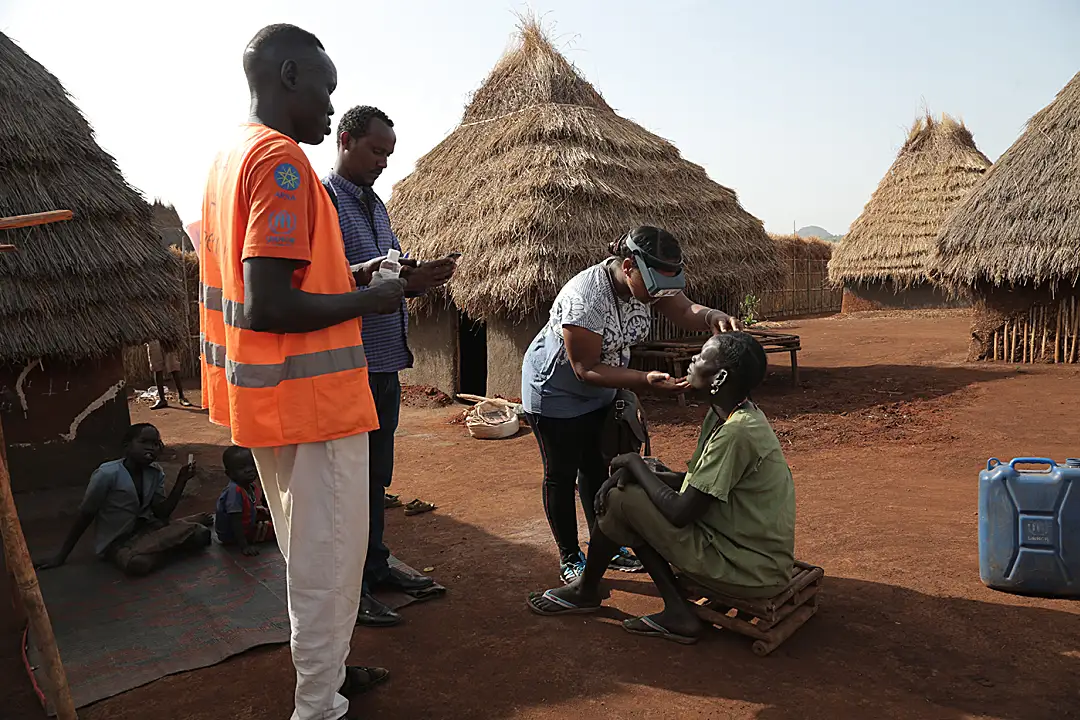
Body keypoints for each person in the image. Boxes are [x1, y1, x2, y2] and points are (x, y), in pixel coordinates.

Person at [199, 24, 404, 720]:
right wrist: (373, 298)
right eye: (326, 90)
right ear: (290, 75)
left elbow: (277, 281)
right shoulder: (281, 164)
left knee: (311, 552)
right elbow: (270, 305)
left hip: (270, 401)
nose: (329, 106)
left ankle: (331, 676)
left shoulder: (232, 155)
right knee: (329, 569)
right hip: (312, 405)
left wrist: (352, 277)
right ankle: (319, 706)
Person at [527, 332, 796, 644]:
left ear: (719, 377)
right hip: (751, 553)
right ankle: (619, 595)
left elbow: (681, 511)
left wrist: (635, 463)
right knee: (629, 494)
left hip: (749, 571)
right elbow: (700, 484)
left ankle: (592, 590)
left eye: (702, 357)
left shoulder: (734, 434)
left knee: (623, 500)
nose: (693, 361)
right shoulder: (733, 415)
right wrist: (637, 472)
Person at [521, 226, 743, 584]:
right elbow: (585, 368)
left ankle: (602, 544)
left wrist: (710, 316)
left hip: (604, 387)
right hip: (556, 393)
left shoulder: (649, 282)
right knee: (561, 474)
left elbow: (684, 309)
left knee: (596, 467)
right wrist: (643, 382)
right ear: (628, 266)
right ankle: (570, 556)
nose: (659, 295)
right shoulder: (586, 298)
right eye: (654, 285)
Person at [324, 105, 456, 628]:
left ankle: (375, 568)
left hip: (382, 364)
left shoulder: (376, 206)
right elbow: (326, 280)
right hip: (346, 366)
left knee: (376, 478)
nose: (383, 163)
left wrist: (418, 276)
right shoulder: (324, 201)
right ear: (346, 139)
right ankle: (349, 589)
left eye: (388, 155)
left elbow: (385, 274)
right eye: (376, 151)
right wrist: (388, 277)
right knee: (347, 486)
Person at [35, 423, 211, 576]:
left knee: (203, 535)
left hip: (148, 529)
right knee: (139, 565)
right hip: (118, 541)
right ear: (127, 446)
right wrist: (61, 555)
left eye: (156, 444)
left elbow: (161, 512)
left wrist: (181, 481)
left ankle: (167, 538)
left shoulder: (155, 472)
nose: (151, 448)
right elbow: (86, 514)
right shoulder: (107, 474)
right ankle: (174, 535)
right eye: (144, 442)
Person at [214, 446, 274, 556]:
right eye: (242, 467)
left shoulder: (250, 486)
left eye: (252, 465)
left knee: (267, 513)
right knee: (275, 530)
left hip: (244, 524)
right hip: (232, 535)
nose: (249, 470)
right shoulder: (235, 491)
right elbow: (235, 521)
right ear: (229, 474)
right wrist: (244, 546)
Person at [146, 340, 193, 410]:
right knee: (157, 367)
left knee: (173, 366)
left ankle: (181, 397)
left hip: (167, 338)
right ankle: (162, 399)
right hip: (153, 339)